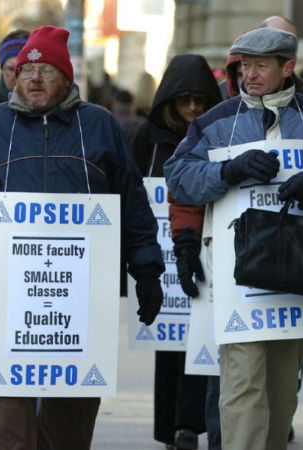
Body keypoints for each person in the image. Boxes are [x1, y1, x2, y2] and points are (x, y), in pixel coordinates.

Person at [164, 27, 303, 450]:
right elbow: (178, 176)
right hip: (236, 271)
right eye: (245, 66)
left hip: (300, 268)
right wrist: (226, 171)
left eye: (261, 66)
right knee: (242, 384)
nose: (251, 74)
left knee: (283, 390)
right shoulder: (217, 121)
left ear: (288, 67)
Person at [0, 25, 165, 450]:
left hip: (82, 302)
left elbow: (133, 206)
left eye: (47, 70)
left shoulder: (100, 126)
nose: (34, 78)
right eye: (28, 69)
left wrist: (147, 272)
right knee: (8, 422)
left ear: (67, 78)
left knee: (70, 422)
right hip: (4, 303)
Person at [129, 53, 223, 450]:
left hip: (202, 250)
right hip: (162, 258)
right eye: (184, 100)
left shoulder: (218, 134)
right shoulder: (147, 140)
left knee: (201, 340)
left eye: (200, 101)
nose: (192, 108)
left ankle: (189, 423)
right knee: (167, 347)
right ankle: (171, 428)